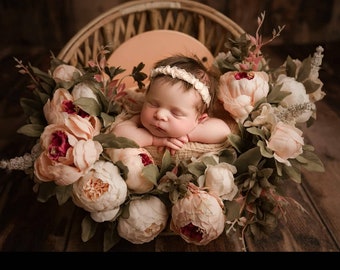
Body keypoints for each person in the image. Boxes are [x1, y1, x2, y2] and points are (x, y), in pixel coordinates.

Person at [111, 55, 231, 155]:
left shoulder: (196, 126)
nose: (160, 115)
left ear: (199, 119)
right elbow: (118, 135)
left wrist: (189, 135)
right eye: (153, 104)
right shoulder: (139, 122)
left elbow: (224, 132)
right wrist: (154, 140)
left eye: (175, 113)